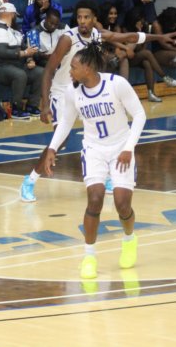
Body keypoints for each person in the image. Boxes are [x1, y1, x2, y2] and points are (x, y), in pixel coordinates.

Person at [20, 0, 176, 202]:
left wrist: (159, 37)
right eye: (79, 17)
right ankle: (30, 180)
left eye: (86, 17)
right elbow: (49, 70)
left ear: (94, 19)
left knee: (104, 129)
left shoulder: (97, 34)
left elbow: (129, 36)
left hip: (85, 89)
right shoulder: (68, 39)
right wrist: (44, 104)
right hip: (62, 91)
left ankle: (107, 175)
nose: (82, 21)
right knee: (62, 139)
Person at [34, 44, 145, 280]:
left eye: (73, 67)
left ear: (88, 68)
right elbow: (65, 122)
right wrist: (52, 148)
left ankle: (129, 239)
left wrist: (128, 148)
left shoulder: (116, 84)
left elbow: (139, 115)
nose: (70, 71)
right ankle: (89, 257)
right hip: (94, 149)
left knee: (122, 204)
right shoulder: (72, 92)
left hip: (121, 148)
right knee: (94, 199)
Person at [0, 2, 42, 118]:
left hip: (15, 66)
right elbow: (2, 52)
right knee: (19, 74)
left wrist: (29, 59)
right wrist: (24, 53)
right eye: (15, 15)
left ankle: (32, 105)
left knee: (40, 72)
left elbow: (25, 48)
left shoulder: (13, 30)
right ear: (12, 15)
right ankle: (16, 108)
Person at [123, 8, 176, 103]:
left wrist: (140, 32)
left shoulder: (144, 29)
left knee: (147, 62)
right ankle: (165, 77)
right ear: (133, 20)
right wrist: (138, 33)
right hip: (126, 58)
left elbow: (141, 49)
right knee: (147, 53)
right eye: (139, 20)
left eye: (142, 20)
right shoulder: (125, 30)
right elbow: (130, 50)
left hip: (138, 56)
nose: (142, 22)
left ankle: (151, 93)